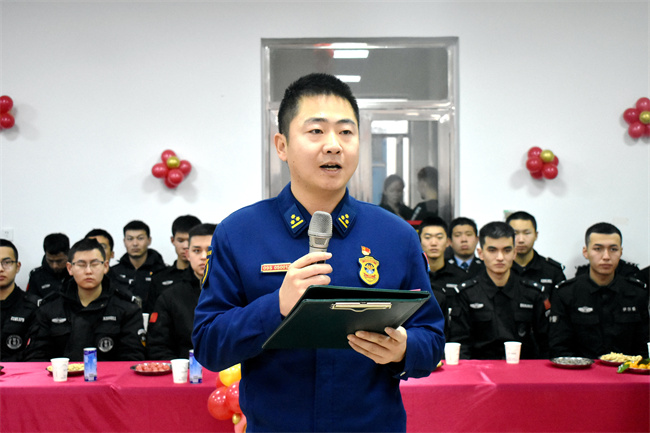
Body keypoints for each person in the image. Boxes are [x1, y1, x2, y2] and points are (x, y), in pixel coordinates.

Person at [192, 73, 444, 432]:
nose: (334, 145)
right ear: (282, 145)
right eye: (316, 131)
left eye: (346, 132)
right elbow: (208, 345)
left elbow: (432, 339)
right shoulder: (240, 233)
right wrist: (276, 306)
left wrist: (405, 350)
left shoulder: (396, 236)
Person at [24, 238, 145, 362]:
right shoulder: (50, 307)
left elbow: (132, 359)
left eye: (94, 264)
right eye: (81, 265)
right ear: (70, 268)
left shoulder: (126, 307)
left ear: (105, 266)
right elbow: (36, 357)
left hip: (110, 374)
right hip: (61, 374)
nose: (88, 271)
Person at [450, 222, 548, 359]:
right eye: (492, 250)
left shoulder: (533, 292)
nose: (500, 257)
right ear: (481, 253)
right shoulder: (466, 294)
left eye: (507, 250)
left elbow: (545, 344)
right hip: (479, 368)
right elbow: (461, 346)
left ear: (514, 253)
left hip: (524, 367)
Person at [549, 223, 648, 359]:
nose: (606, 256)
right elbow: (559, 347)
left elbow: (644, 347)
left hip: (625, 369)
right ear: (586, 252)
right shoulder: (566, 293)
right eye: (598, 249)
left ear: (620, 252)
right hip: (580, 369)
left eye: (613, 249)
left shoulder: (637, 293)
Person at [147, 223, 216, 360]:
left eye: (209, 251)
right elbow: (158, 347)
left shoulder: (239, 292)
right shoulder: (170, 297)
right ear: (188, 254)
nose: (203, 256)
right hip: (185, 369)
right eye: (197, 250)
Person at [418, 216, 467, 339]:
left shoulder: (462, 277)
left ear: (448, 242)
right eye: (427, 237)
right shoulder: (415, 276)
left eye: (439, 237)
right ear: (419, 241)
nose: (434, 243)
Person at [506, 211, 566, 303]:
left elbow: (561, 307)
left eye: (527, 233)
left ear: (536, 235)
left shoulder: (553, 271)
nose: (521, 240)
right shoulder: (498, 267)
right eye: (515, 233)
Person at [146, 215, 201, 312]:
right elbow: (152, 314)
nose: (185, 246)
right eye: (180, 240)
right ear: (172, 240)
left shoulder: (208, 278)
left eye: (189, 240)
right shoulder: (159, 278)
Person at [111, 220, 166, 312]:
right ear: (124, 241)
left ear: (149, 240)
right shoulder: (114, 272)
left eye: (140, 238)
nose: (135, 243)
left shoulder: (162, 271)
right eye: (130, 239)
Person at [1, 239, 39, 361]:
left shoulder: (33, 306)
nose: (1, 269)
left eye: (7, 262)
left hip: (19, 370)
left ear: (17, 267)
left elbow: (35, 352)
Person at [26, 233, 70, 298]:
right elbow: (30, 301)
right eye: (50, 261)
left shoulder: (78, 273)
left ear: (68, 255)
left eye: (59, 261)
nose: (55, 266)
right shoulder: (36, 276)